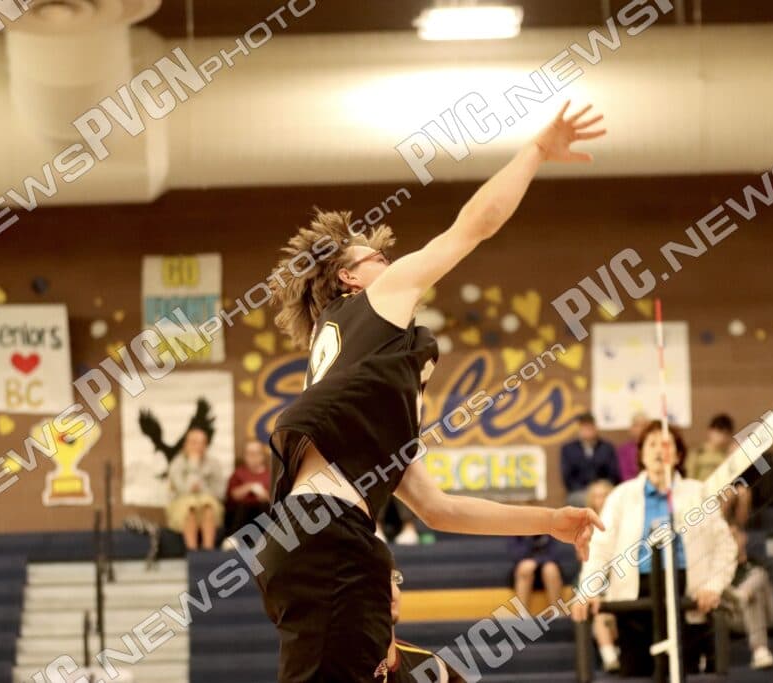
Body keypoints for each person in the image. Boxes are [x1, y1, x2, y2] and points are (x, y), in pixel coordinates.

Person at [255, 101, 607, 682]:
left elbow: (440, 508)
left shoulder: (355, 379)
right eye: (379, 258)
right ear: (348, 276)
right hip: (333, 542)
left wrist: (548, 520)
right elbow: (473, 227)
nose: (392, 263)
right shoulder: (372, 302)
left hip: (307, 540)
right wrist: (537, 151)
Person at [578, 421, 738, 677]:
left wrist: (714, 586)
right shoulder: (621, 496)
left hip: (686, 594)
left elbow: (724, 548)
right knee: (637, 673)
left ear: (678, 453)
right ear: (641, 454)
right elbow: (600, 548)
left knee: (683, 672)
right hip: (635, 598)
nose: (658, 450)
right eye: (651, 444)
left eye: (665, 444)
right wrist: (590, 589)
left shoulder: (698, 493)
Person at [384, 563, 467, 682]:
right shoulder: (348, 668)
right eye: (375, 582)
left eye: (393, 578)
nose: (391, 590)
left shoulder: (433, 669)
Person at [570, 479, 619, 672]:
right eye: (597, 496)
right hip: (593, 578)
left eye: (605, 495)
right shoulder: (584, 526)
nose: (601, 500)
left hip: (620, 577)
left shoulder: (624, 521)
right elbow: (585, 558)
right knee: (599, 612)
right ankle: (610, 658)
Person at [723, 526, 773, 670]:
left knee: (758, 578)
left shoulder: (757, 563)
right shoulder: (723, 571)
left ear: (743, 537)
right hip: (734, 616)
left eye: (734, 536)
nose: (731, 540)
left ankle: (760, 649)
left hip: (765, 615)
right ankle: (760, 650)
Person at [685, 413, 752, 527]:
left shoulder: (728, 454)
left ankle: (737, 528)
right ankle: (717, 528)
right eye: (719, 432)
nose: (722, 437)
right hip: (702, 491)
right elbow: (689, 478)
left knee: (743, 492)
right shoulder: (698, 453)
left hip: (723, 491)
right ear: (710, 431)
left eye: (726, 434)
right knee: (729, 493)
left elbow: (739, 478)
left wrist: (736, 456)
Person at [165, 427, 223, 551]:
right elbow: (182, 490)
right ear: (186, 444)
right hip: (182, 505)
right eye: (194, 442)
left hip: (207, 504)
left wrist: (201, 487)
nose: (198, 446)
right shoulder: (177, 463)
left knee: (208, 507)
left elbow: (219, 492)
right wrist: (193, 464)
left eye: (202, 443)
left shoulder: (214, 464)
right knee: (189, 508)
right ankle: (193, 552)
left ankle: (208, 551)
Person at [561, 412, 621, 506]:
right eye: (584, 427)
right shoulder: (568, 449)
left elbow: (613, 474)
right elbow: (568, 477)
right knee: (580, 499)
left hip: (604, 489)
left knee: (607, 498)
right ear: (579, 429)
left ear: (596, 427)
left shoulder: (607, 448)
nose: (588, 430)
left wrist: (601, 488)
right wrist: (589, 492)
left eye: (590, 426)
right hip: (580, 491)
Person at [223, 440, 272, 542]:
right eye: (249, 453)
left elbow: (276, 498)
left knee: (265, 506)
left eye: (256, 453)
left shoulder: (270, 475)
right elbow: (233, 495)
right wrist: (249, 487)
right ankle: (234, 540)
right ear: (245, 456)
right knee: (243, 506)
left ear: (262, 455)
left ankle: (268, 540)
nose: (253, 457)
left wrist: (265, 495)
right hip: (241, 515)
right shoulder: (238, 473)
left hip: (263, 512)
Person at [508, 534, 563, 610]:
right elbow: (516, 554)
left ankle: (557, 611)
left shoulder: (549, 529)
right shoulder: (518, 531)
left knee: (551, 569)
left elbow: (554, 554)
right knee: (526, 567)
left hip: (546, 565)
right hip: (524, 570)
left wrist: (537, 560)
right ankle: (523, 613)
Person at [614, 411, 647, 482]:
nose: (640, 429)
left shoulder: (656, 449)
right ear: (631, 428)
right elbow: (624, 475)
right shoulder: (623, 450)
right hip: (630, 487)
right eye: (636, 425)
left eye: (643, 425)